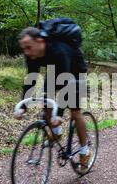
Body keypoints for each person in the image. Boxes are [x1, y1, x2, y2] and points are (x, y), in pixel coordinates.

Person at [15, 21, 92, 169]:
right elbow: (30, 79)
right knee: (46, 100)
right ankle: (56, 132)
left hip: (74, 73)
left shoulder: (59, 50)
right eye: (24, 48)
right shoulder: (32, 55)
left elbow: (66, 85)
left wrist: (58, 115)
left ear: (40, 41)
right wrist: (23, 106)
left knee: (75, 111)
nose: (26, 52)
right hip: (55, 72)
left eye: (29, 47)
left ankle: (84, 150)